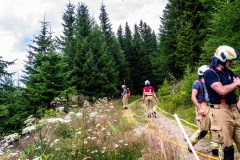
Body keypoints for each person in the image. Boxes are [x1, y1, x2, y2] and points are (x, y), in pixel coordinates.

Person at [204, 45, 240, 160]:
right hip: (220, 110)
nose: (231, 63)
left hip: (234, 110)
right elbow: (222, 90)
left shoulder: (229, 72)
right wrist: (235, 84)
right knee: (227, 146)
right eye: (229, 60)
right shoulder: (210, 73)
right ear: (222, 59)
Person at [189, 65, 216, 152]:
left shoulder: (211, 82)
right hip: (202, 105)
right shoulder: (197, 83)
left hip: (212, 105)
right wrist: (200, 109)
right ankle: (190, 144)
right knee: (203, 130)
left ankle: (215, 149)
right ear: (202, 74)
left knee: (214, 129)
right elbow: (193, 97)